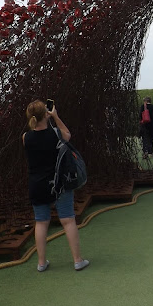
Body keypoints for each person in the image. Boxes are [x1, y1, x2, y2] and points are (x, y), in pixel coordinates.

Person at [22, 100, 89, 272]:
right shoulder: (56, 134)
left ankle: (41, 263)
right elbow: (68, 134)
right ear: (46, 114)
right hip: (59, 183)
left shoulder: (26, 138)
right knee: (68, 220)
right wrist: (56, 116)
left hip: (37, 184)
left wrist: (45, 117)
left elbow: (35, 137)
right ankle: (77, 260)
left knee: (41, 222)